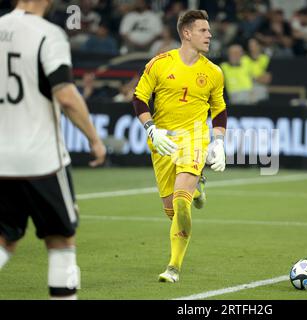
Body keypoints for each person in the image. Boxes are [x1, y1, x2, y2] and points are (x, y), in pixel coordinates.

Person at [0, 0, 106, 300]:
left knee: (6, 238)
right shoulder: (48, 34)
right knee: (61, 238)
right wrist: (94, 139)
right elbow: (67, 95)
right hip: (41, 158)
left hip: (1, 158)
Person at [132, 9, 227, 283]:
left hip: (195, 138)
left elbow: (219, 109)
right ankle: (197, 191)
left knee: (180, 204)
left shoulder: (213, 72)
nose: (209, 35)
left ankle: (173, 267)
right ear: (186, 33)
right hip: (162, 141)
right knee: (172, 211)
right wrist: (151, 129)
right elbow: (139, 98)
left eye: (209, 30)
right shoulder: (159, 64)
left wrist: (218, 143)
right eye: (203, 30)